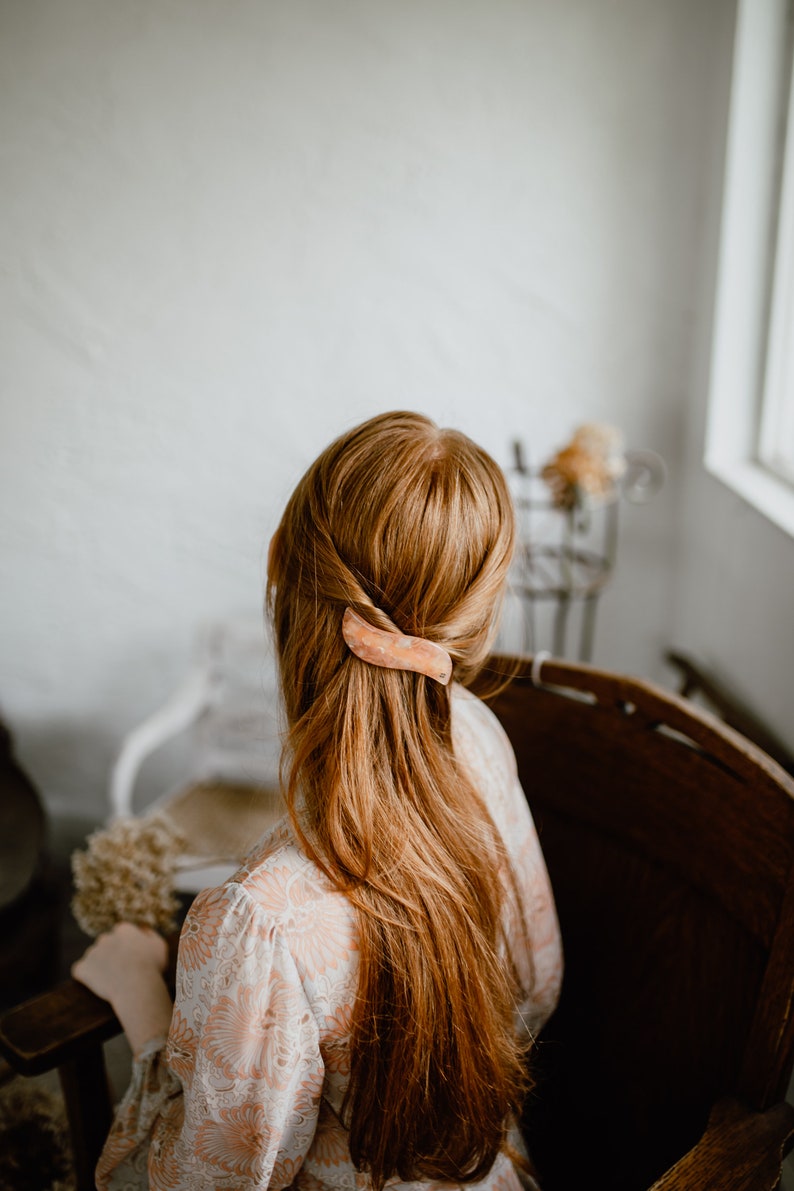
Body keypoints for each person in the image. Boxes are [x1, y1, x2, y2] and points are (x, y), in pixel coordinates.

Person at [73, 411, 563, 1191]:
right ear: (478, 615)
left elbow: (207, 1183)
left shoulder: (259, 920)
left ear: (282, 585)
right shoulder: (478, 733)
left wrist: (145, 1009)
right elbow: (535, 988)